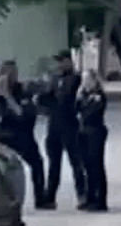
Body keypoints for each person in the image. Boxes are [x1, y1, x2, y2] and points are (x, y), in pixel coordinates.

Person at [0, 60, 51, 210]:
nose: (8, 79)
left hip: (23, 137)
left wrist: (8, 97)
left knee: (37, 164)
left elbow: (23, 115)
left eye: (12, 75)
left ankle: (41, 199)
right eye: (4, 74)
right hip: (2, 139)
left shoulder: (23, 92)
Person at [38, 50, 86, 210]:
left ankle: (82, 195)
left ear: (69, 62)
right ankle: (49, 197)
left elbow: (69, 99)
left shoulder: (76, 78)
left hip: (70, 126)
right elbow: (48, 100)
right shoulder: (55, 79)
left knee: (76, 163)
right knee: (54, 165)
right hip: (54, 126)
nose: (59, 65)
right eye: (58, 61)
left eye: (62, 61)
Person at [76, 69, 109, 212]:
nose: (85, 83)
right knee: (87, 167)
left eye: (88, 80)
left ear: (95, 81)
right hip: (83, 132)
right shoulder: (83, 95)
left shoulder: (98, 96)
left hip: (95, 132)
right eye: (83, 80)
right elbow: (75, 110)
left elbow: (90, 114)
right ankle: (90, 198)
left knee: (96, 166)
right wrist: (79, 97)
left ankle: (100, 200)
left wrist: (84, 102)